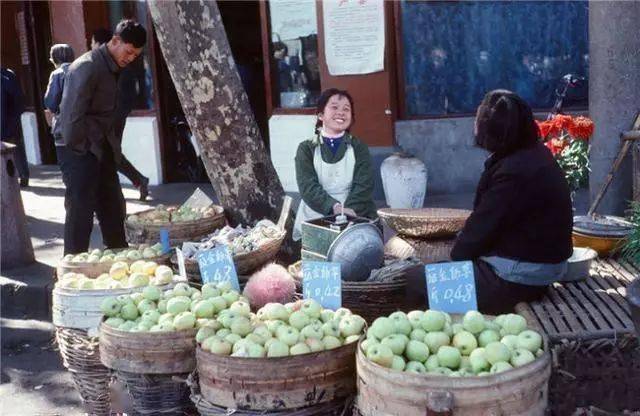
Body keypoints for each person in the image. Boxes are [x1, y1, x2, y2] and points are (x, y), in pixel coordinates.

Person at [450, 89, 573, 314]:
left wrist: (453, 266)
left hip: (520, 276)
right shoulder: (531, 154)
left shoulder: (515, 172)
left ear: (492, 131)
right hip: (537, 264)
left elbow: (480, 228)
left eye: (478, 118)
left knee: (419, 284)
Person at [59, 19, 147, 255]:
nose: (130, 58)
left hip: (103, 144)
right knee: (81, 209)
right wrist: (83, 150)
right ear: (115, 41)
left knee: (113, 206)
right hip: (78, 146)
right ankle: (72, 266)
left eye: (136, 55)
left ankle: (119, 256)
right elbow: (71, 117)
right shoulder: (86, 66)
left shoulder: (119, 69)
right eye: (128, 52)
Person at [293, 88, 377, 240]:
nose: (341, 112)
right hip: (317, 212)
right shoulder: (306, 149)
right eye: (334, 107)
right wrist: (334, 207)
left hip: (355, 210)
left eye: (346, 109)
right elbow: (308, 187)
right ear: (320, 115)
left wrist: (348, 212)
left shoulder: (359, 147)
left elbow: (364, 184)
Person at [91, 27, 150, 201]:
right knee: (111, 155)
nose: (92, 47)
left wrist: (114, 117)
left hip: (112, 119)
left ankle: (116, 194)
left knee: (109, 155)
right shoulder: (104, 66)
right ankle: (138, 180)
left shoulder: (119, 67)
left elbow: (127, 97)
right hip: (111, 118)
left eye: (92, 43)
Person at [43, 44, 75, 162]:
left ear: (54, 59)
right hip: (85, 126)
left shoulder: (57, 74)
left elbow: (51, 102)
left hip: (64, 128)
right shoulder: (82, 69)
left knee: (67, 165)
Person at [1, 68, 30, 187]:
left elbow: (18, 101)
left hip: (9, 123)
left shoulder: (7, 76)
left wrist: (13, 120)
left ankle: (22, 176)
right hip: (9, 122)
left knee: (15, 149)